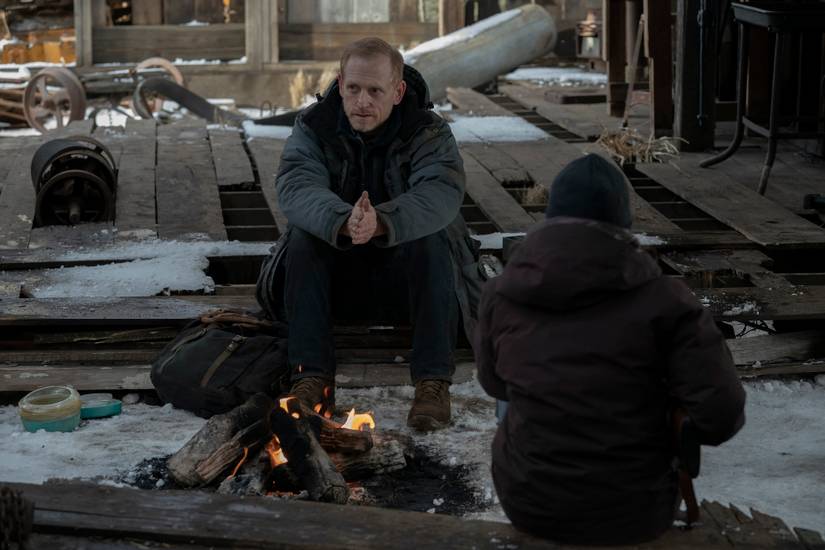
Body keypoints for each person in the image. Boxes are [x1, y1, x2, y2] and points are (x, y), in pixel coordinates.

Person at [475, 154, 746, 545]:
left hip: (531, 502)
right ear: (623, 225)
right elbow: (722, 413)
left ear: (550, 219)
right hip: (635, 510)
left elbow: (494, 385)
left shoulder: (501, 294)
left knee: (519, 391)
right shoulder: (668, 301)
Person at [255, 37, 482, 431]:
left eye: (375, 91)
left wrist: (383, 221)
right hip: (335, 284)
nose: (362, 101)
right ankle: (311, 376)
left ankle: (432, 381)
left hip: (408, 286)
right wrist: (342, 220)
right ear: (340, 84)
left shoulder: (428, 132)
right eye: (354, 88)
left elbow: (440, 194)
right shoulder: (314, 126)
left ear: (398, 92)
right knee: (304, 237)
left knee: (434, 235)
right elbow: (296, 185)